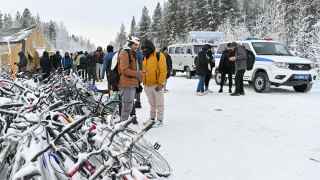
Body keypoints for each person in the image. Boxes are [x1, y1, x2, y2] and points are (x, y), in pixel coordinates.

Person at [141, 39, 167, 126]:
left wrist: (160, 83)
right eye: (143, 49)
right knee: (152, 104)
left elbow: (163, 71)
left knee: (159, 103)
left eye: (145, 49)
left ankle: (160, 120)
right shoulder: (145, 57)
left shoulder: (159, 55)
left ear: (150, 48)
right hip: (147, 85)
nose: (144, 50)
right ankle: (152, 118)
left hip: (156, 85)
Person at [118, 36, 142, 123]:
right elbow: (124, 69)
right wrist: (137, 74)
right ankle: (121, 126)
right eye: (135, 45)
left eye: (137, 45)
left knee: (129, 106)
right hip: (126, 84)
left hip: (131, 84)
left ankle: (122, 125)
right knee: (126, 107)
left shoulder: (132, 53)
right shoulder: (125, 53)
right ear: (130, 44)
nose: (137, 47)